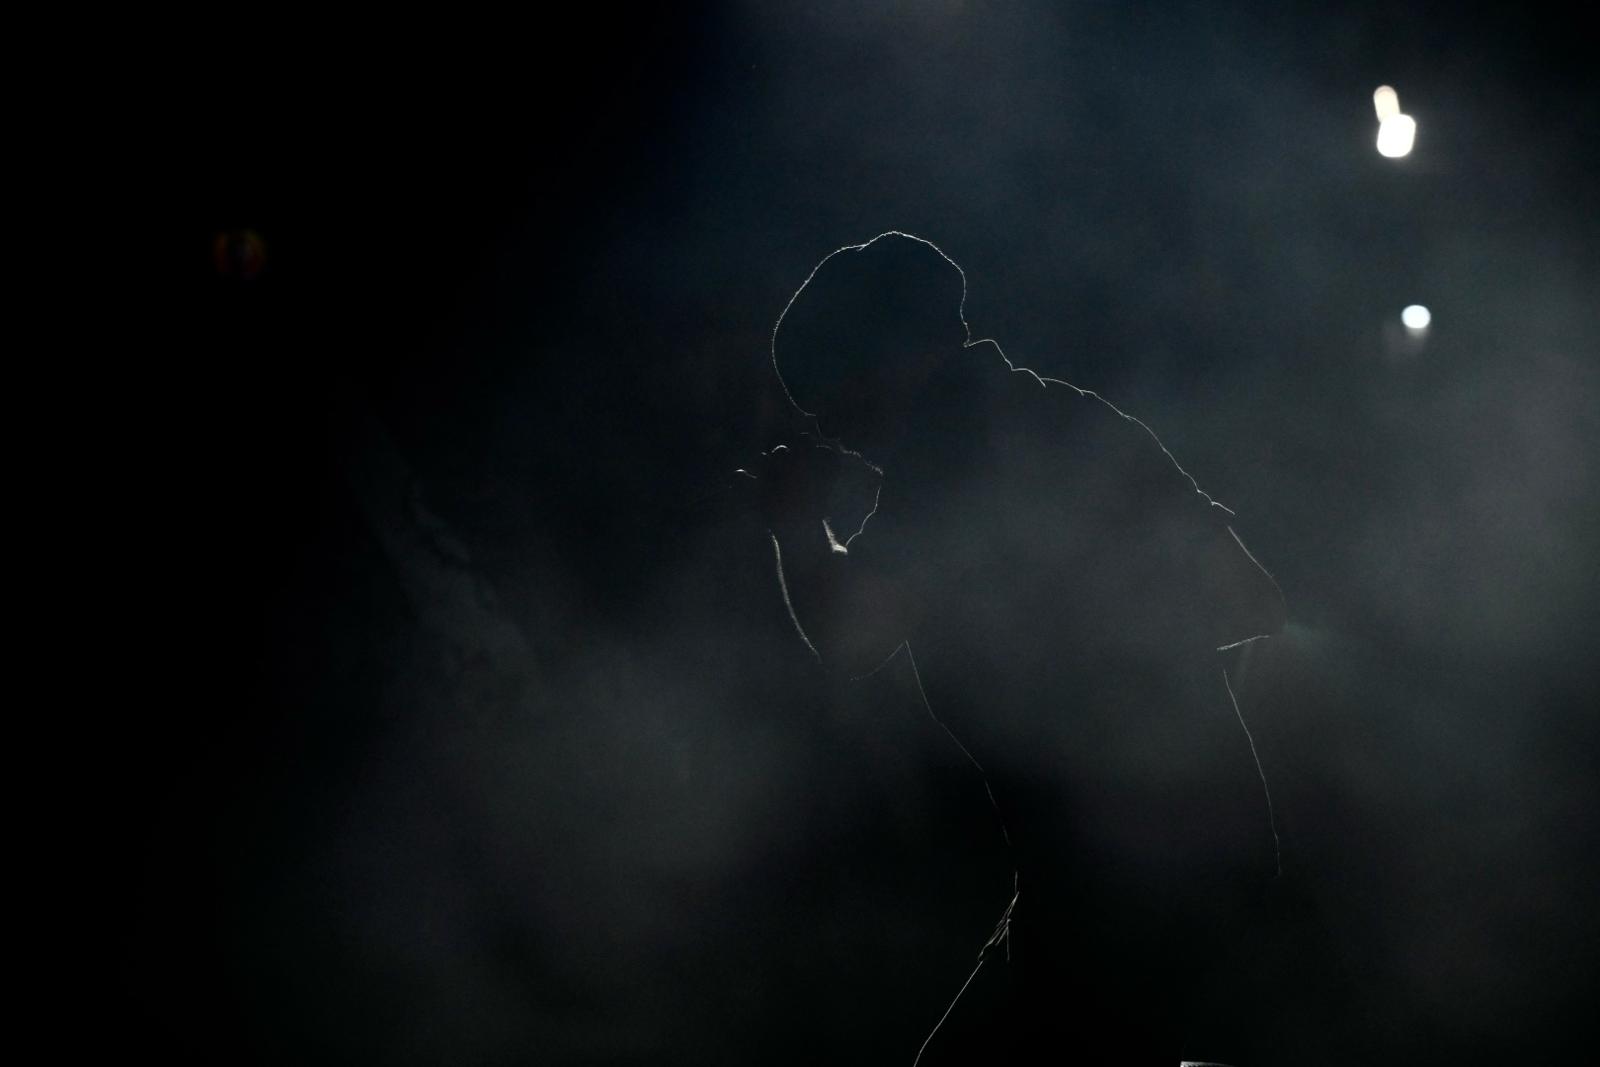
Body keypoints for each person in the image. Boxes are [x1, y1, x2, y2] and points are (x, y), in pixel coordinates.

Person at [757, 232, 1285, 1064]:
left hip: (1128, 877)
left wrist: (795, 523)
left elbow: (851, 640)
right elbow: (1252, 596)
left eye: (830, 391)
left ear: (896, 355)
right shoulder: (1047, 421)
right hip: (1120, 867)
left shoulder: (960, 459)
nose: (825, 423)